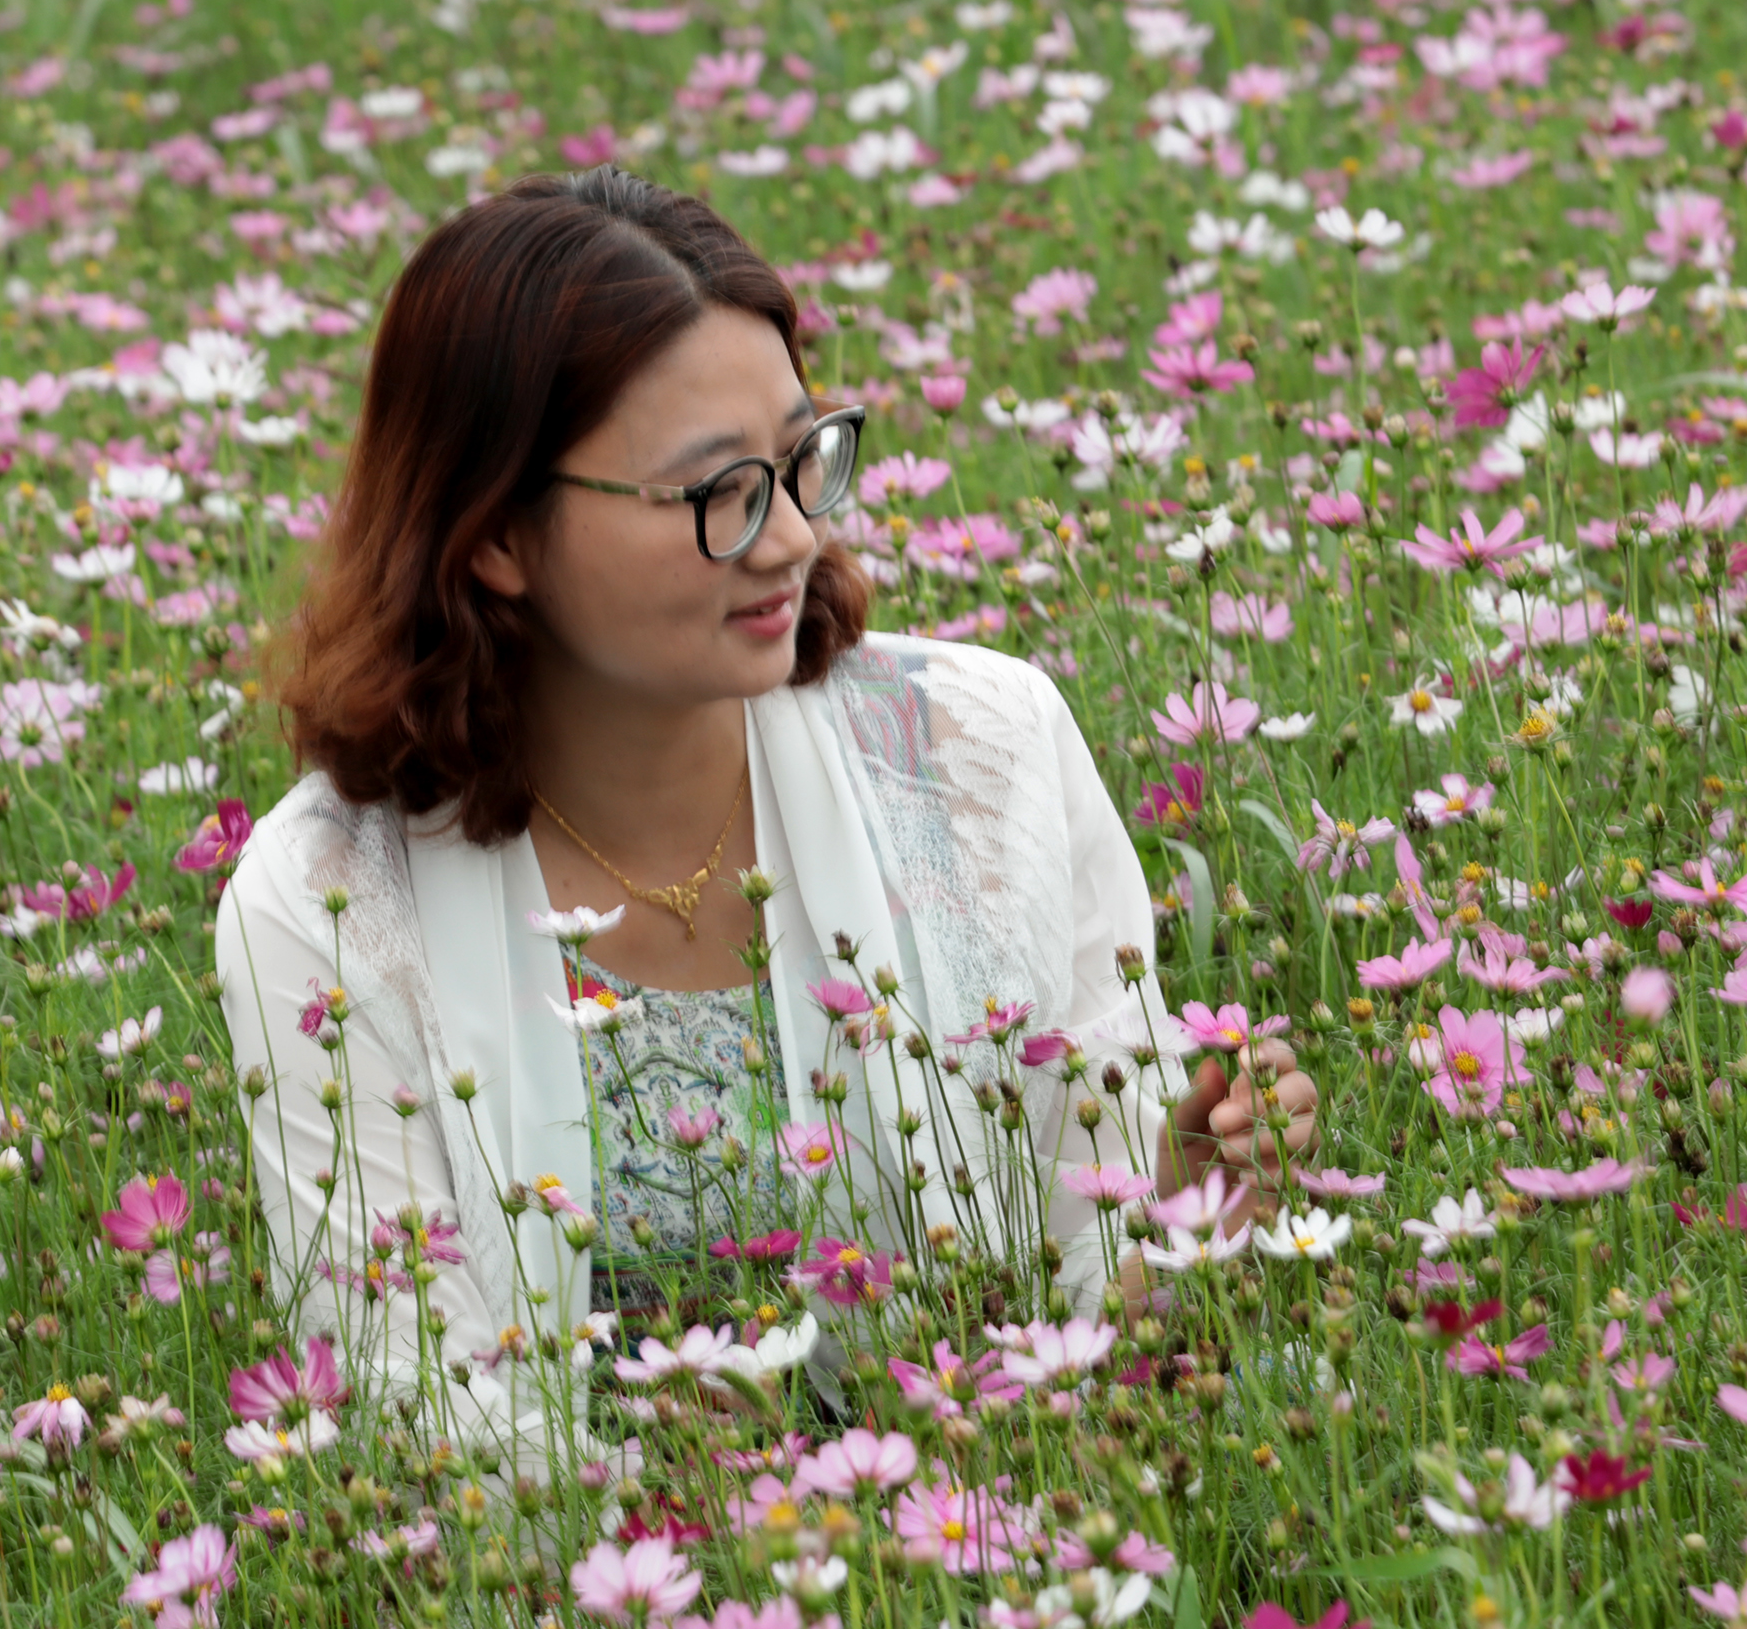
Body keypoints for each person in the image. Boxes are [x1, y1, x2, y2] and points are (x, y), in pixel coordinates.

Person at [216, 165, 1314, 1458]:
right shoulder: (327, 906)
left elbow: (1085, 1298)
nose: (792, 538)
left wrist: (1187, 1193)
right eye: (717, 493)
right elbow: (421, 1421)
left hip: (1000, 1547)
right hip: (592, 1617)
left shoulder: (977, 757)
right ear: (497, 533)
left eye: (800, 462)